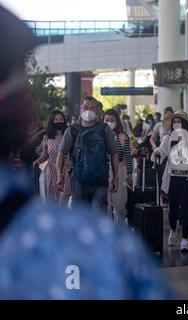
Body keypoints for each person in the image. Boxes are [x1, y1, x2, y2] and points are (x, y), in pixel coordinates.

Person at [0, 5, 172, 299]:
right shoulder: (96, 244)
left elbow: (114, 154)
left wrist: (118, 175)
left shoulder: (103, 132)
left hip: (96, 180)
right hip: (80, 182)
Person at [57, 96, 119, 212]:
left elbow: (114, 154)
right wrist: (59, 175)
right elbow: (61, 154)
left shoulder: (104, 129)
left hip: (100, 181)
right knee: (81, 218)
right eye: (85, 107)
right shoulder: (72, 130)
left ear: (97, 111)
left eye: (92, 108)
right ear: (80, 110)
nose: (88, 111)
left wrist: (115, 177)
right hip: (79, 181)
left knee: (97, 217)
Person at [151, 111, 188, 253]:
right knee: (172, 210)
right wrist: (157, 152)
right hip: (172, 178)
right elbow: (162, 150)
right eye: (174, 121)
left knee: (187, 209)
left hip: (187, 179)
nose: (176, 123)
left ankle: (185, 238)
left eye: (179, 121)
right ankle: (173, 230)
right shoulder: (167, 138)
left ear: (184, 123)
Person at [33, 110, 71, 205]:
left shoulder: (69, 135)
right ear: (52, 121)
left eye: (61, 119)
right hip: (52, 173)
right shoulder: (47, 137)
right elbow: (45, 155)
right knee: (52, 200)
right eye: (56, 119)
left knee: (64, 196)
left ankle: (62, 216)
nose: (59, 121)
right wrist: (38, 160)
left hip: (66, 171)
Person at [104, 109, 133, 224]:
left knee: (119, 205)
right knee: (105, 204)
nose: (109, 122)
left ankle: (120, 232)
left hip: (119, 171)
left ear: (117, 121)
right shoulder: (99, 135)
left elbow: (128, 156)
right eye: (106, 120)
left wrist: (129, 173)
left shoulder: (123, 137)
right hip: (103, 170)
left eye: (112, 120)